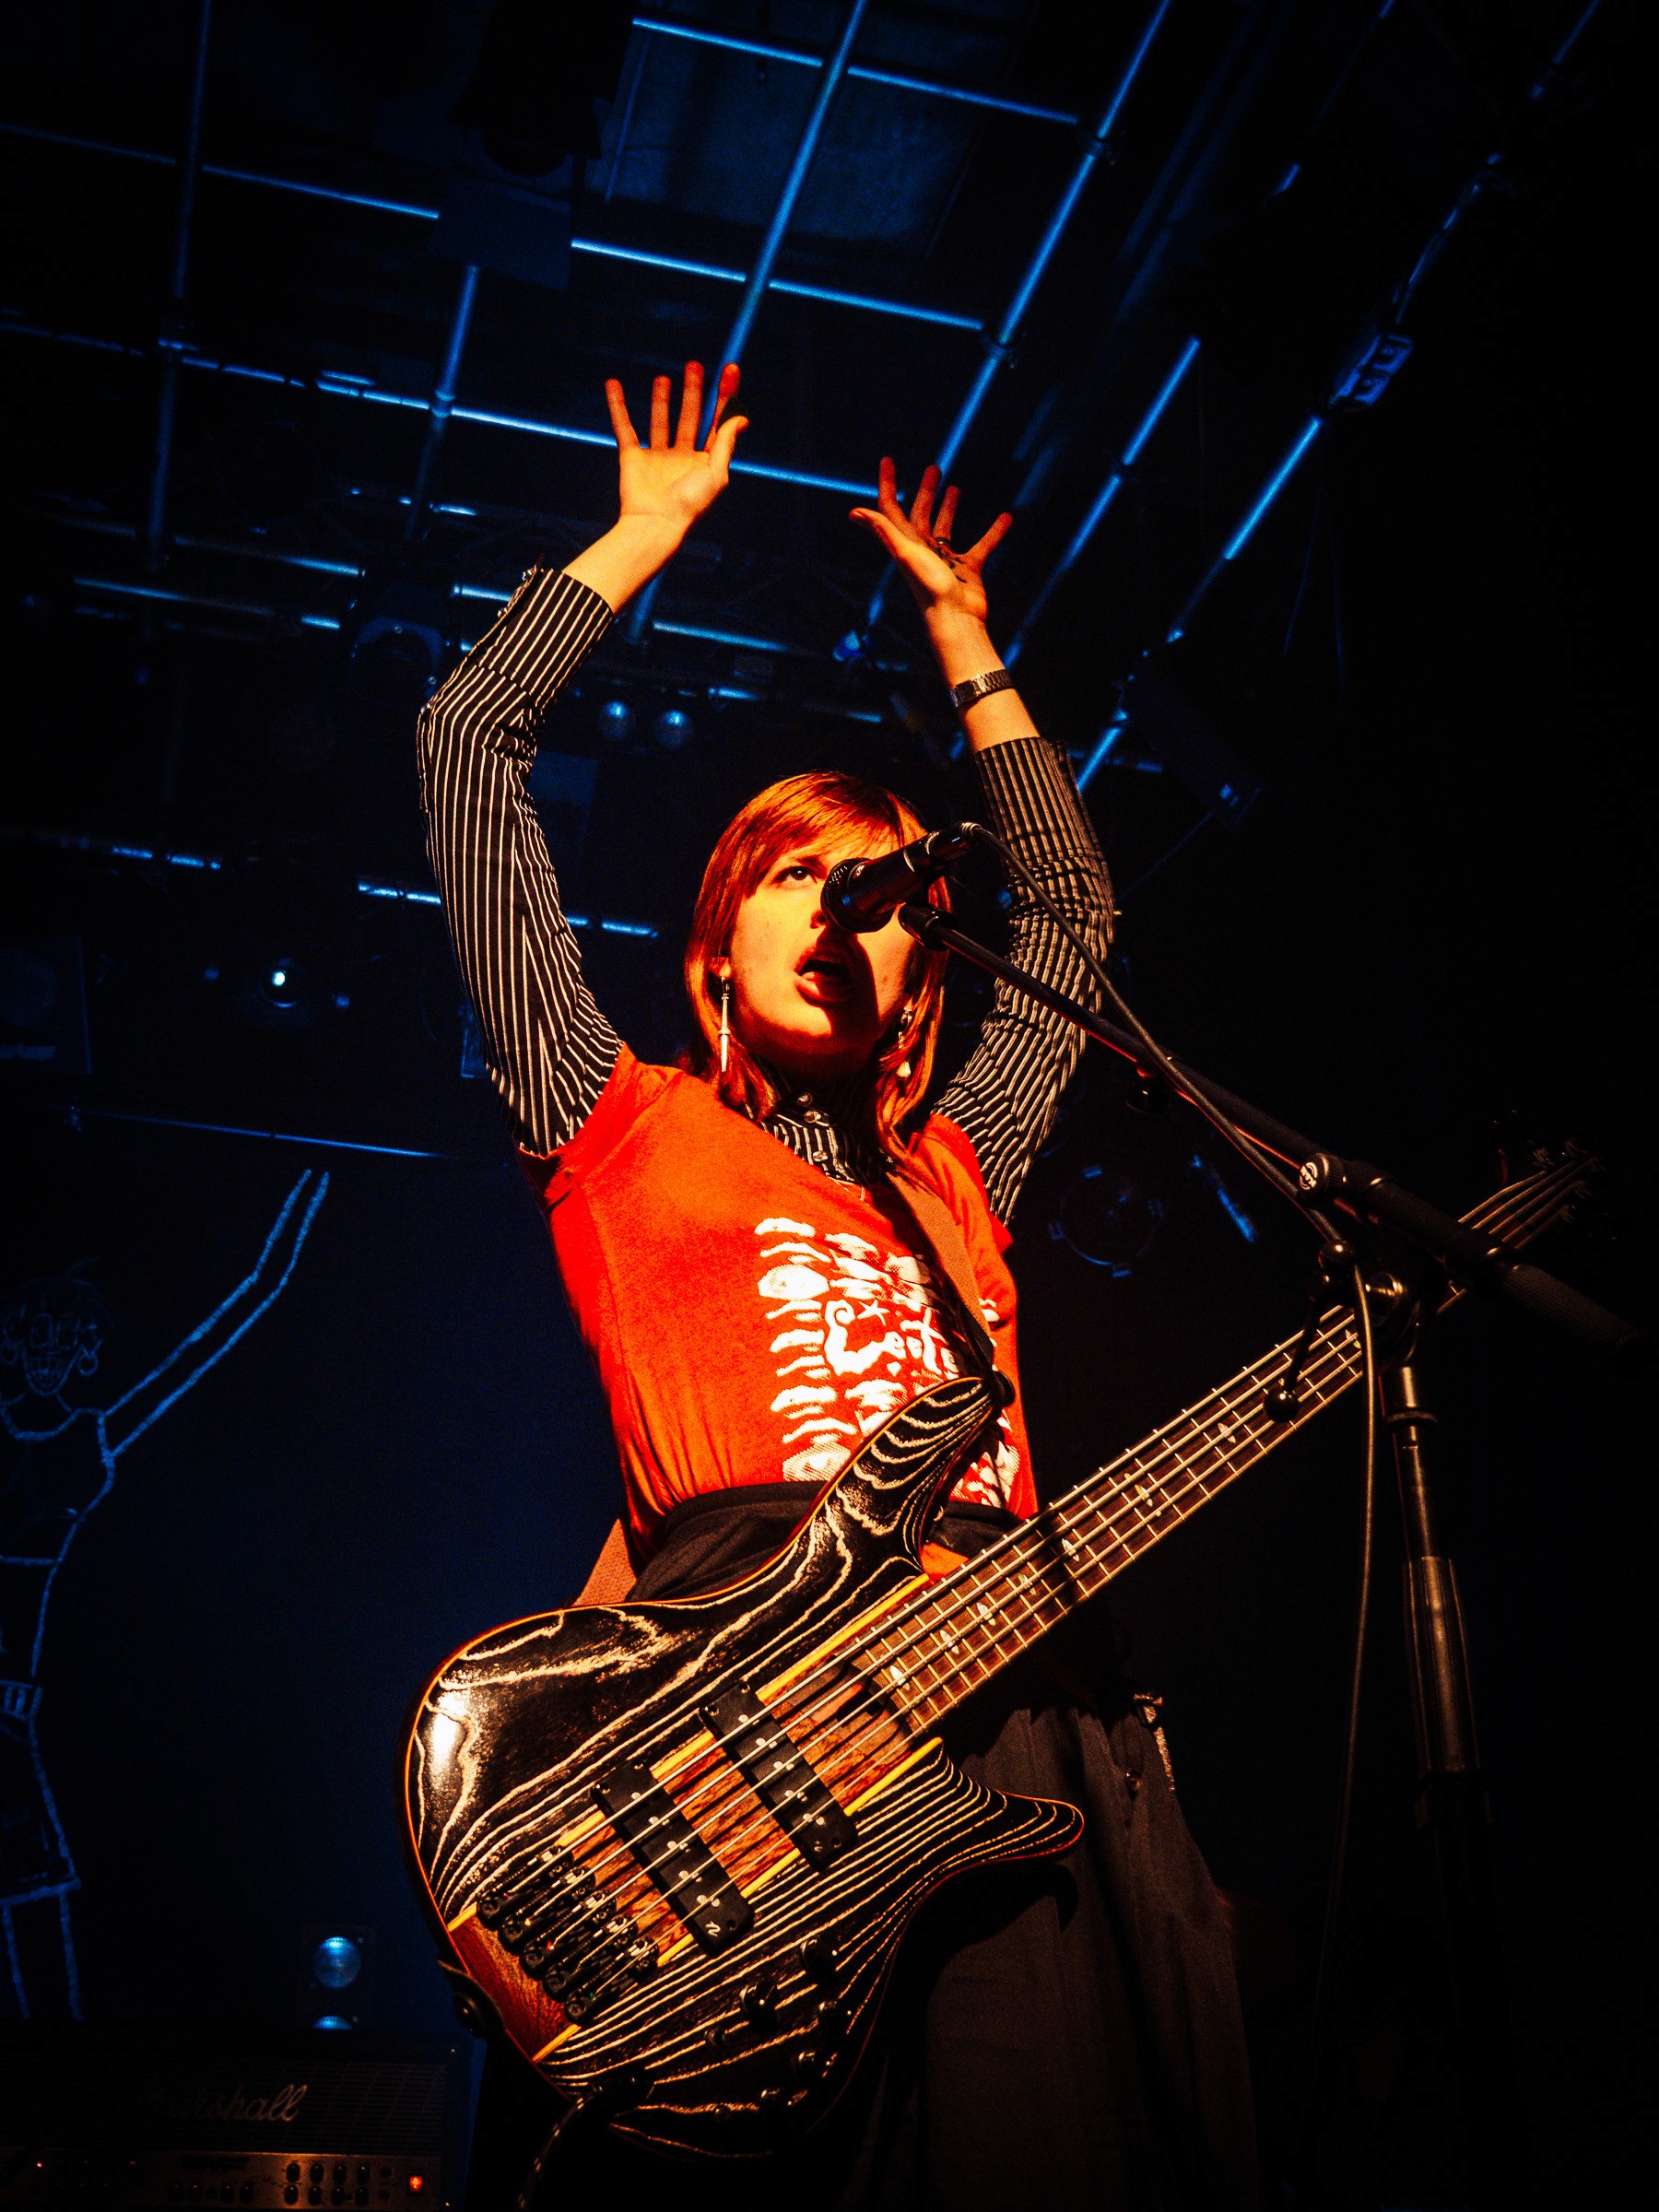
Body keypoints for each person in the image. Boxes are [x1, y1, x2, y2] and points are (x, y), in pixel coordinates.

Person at [418, 361, 1255, 2209]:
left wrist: (968, 642)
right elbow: (466, 750)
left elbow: (1075, 921)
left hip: (1008, 1691)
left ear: (924, 965)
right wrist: (638, 539)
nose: (839, 905)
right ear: (719, 944)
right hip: (744, 1725)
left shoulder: (956, 1168)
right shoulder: (617, 1117)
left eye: (874, 884)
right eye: (795, 874)